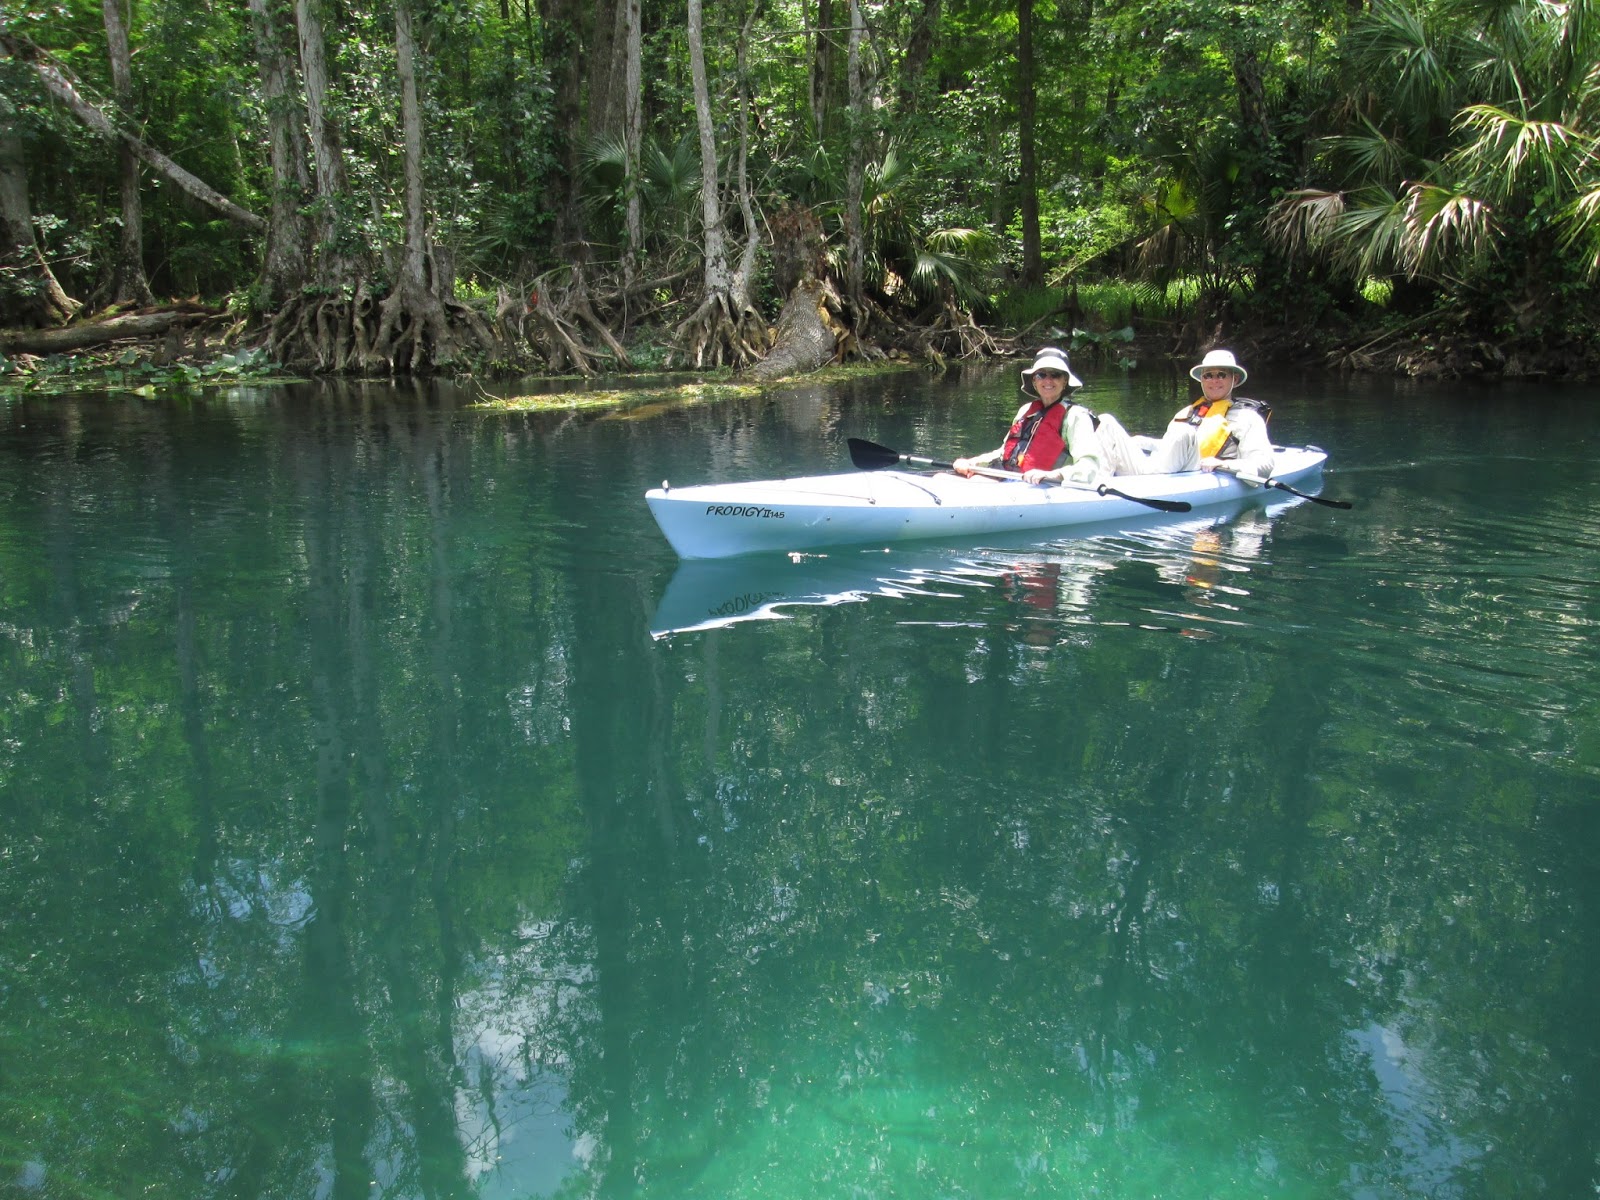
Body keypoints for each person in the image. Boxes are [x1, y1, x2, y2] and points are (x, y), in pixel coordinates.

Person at [1095, 349, 1275, 480]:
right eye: (1208, 375)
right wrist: (1143, 441)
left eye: (1221, 375)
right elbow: (1170, 451)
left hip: (1192, 476)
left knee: (1185, 432)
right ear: (1202, 379)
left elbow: (1264, 464)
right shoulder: (1186, 412)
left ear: (1234, 379)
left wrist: (1224, 464)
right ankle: (1097, 484)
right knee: (1105, 421)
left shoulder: (1247, 418)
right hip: (1156, 471)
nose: (1214, 381)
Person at [951, 348, 1106, 485]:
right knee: (941, 478)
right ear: (1034, 380)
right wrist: (972, 463)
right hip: (1009, 477)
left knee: (973, 484)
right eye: (1041, 374)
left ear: (1065, 381)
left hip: (1045, 486)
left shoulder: (1076, 416)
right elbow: (1003, 452)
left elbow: (1089, 466)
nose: (1048, 380)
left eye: (1055, 375)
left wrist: (1054, 475)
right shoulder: (1026, 410)